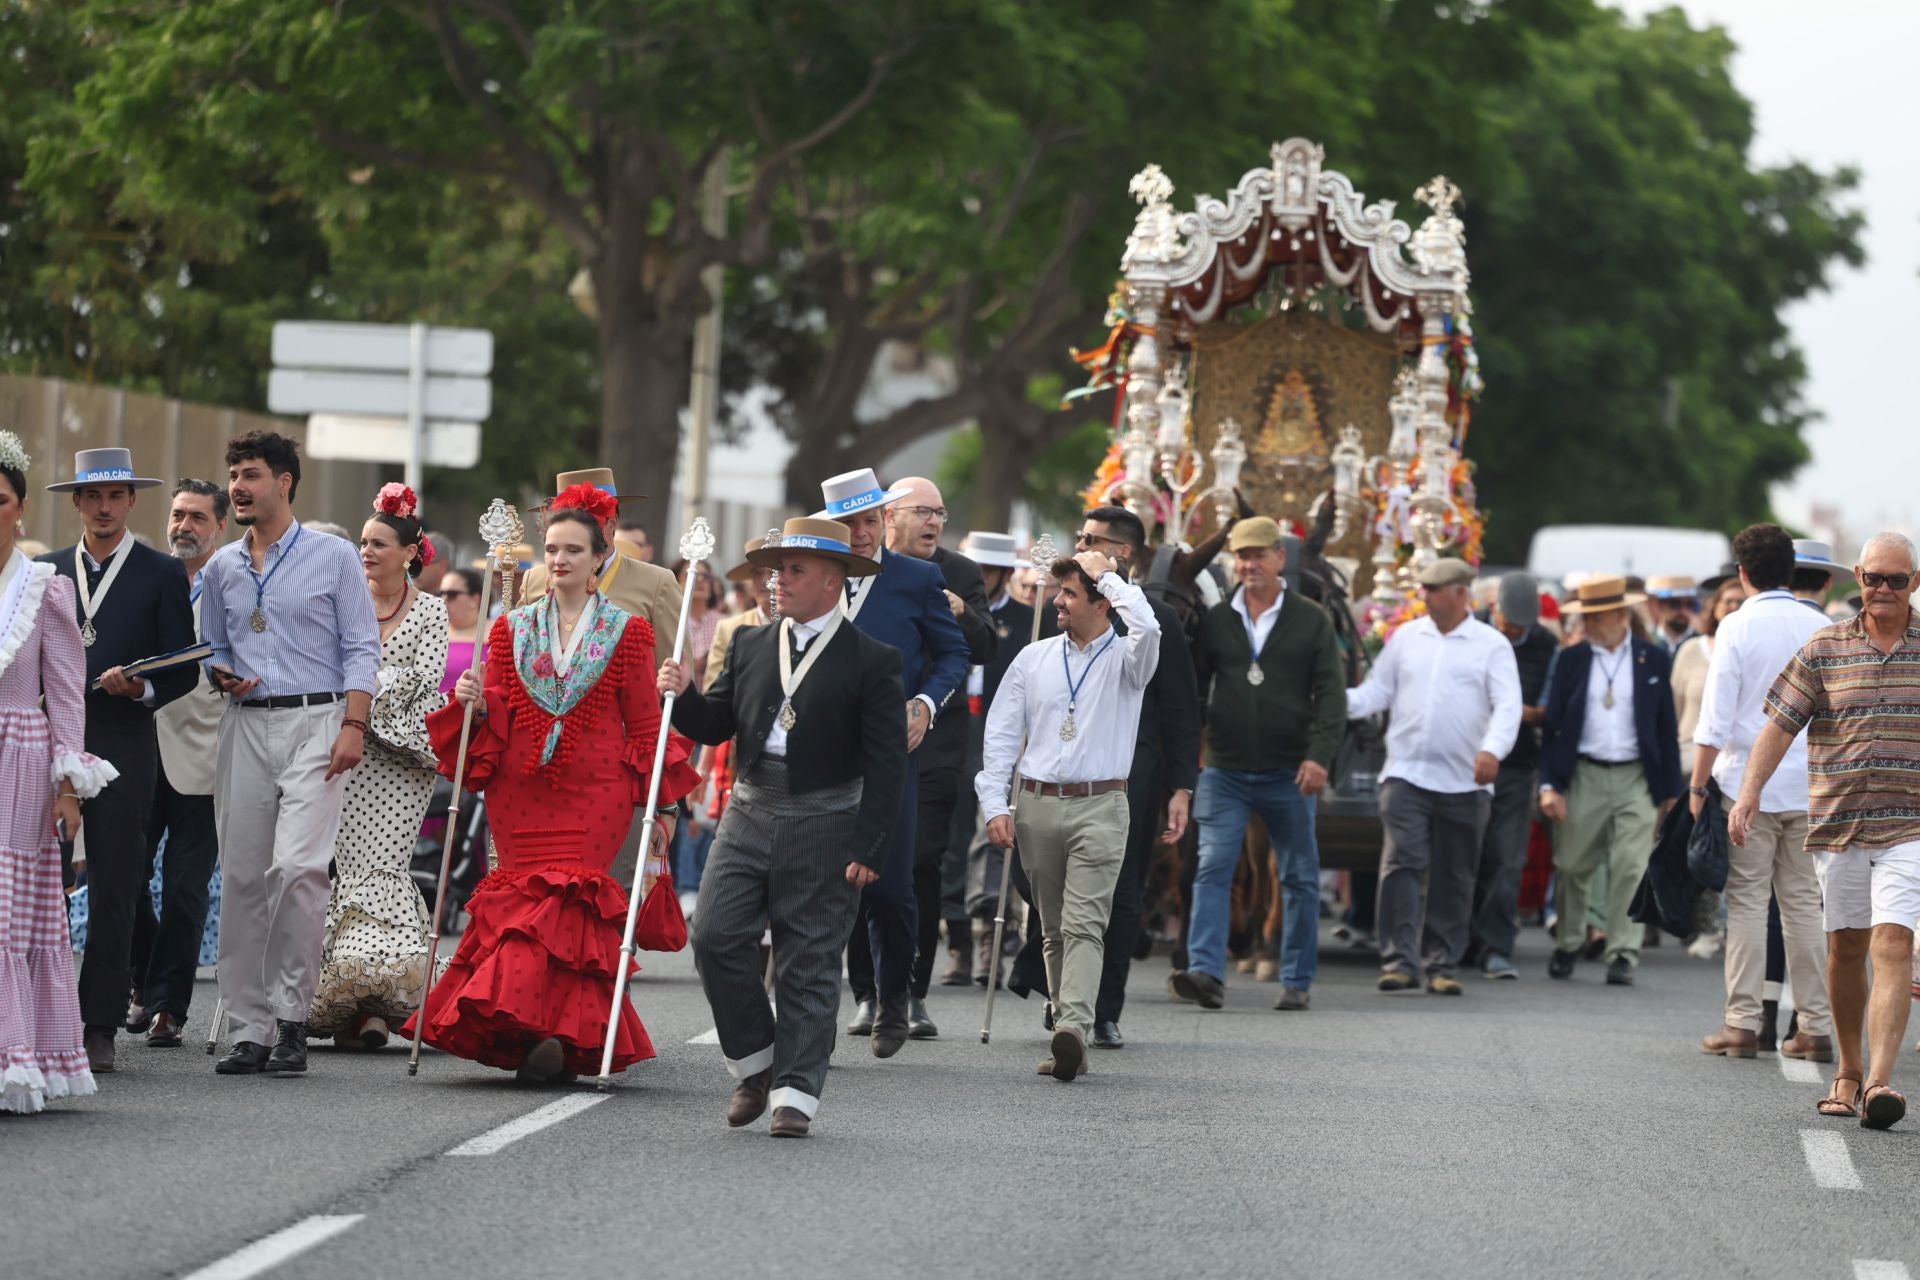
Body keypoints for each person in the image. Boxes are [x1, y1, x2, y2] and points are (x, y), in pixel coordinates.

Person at [405, 501, 696, 1084]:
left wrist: (660, 805)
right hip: (521, 788)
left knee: (570, 905)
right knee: (523, 909)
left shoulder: (628, 629)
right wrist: (477, 699)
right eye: (553, 549)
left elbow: (642, 722)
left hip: (599, 789)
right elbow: (500, 703)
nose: (560, 560)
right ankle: (532, 1031)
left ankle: (554, 1034)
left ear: (598, 559)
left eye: (573, 550)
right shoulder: (512, 624)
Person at [662, 517, 908, 1137]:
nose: (778, 581)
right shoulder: (749, 643)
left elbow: (886, 761)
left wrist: (870, 843)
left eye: (794, 570)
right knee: (715, 934)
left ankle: (796, 1091)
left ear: (834, 580)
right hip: (749, 809)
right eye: (775, 570)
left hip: (828, 817)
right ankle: (756, 1063)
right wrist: (684, 693)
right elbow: (715, 724)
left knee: (810, 957)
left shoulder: (873, 660)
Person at [200, 431, 382, 1077]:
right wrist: (221, 673)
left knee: (299, 869)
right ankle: (249, 1027)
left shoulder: (332, 556)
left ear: (285, 481)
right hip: (246, 725)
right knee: (244, 877)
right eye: (233, 476)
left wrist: (354, 724)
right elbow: (211, 648)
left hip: (319, 719)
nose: (238, 487)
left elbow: (363, 644)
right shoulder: (222, 567)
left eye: (250, 474)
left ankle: (293, 1018)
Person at [1730, 531, 1920, 1130]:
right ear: (1857, 577)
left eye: (1897, 579)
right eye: (1874, 578)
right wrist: (1750, 792)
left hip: (1909, 826)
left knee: (1894, 944)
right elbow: (1780, 726)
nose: (1884, 590)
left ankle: (1881, 1083)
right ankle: (1848, 1067)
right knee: (1847, 949)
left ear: (1915, 583)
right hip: (1838, 825)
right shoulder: (1825, 646)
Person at [40, 447, 196, 1072]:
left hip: (126, 740)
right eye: (92, 497)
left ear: (132, 501)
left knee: (116, 884)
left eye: (115, 497)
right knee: (37, 880)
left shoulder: (161, 573)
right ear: (77, 502)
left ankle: (97, 1022)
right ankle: (33, 1014)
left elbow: (185, 667)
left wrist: (144, 689)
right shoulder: (45, 571)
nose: (104, 508)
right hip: (52, 740)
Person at [979, 547, 1160, 1080]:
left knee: (1085, 924)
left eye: (1070, 594)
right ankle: (1066, 1026)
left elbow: (1148, 627)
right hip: (1036, 805)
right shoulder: (1033, 658)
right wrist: (994, 803)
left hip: (1101, 805)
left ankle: (1073, 1031)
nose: (1057, 602)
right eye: (1059, 593)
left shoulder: (1130, 657)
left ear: (1102, 603)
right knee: (1052, 927)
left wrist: (1110, 576)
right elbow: (1001, 735)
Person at [815, 468, 967, 1058]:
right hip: (822, 755)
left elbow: (952, 653)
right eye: (847, 523)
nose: (860, 532)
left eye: (869, 520)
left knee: (893, 888)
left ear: (885, 520)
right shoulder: (815, 577)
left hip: (891, 756)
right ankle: (820, 1010)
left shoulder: (917, 578)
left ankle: (894, 998)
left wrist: (927, 703)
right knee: (821, 888)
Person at [1174, 516, 1341, 1013]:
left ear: (1279, 558)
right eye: (1241, 557)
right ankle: (1205, 971)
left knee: (1299, 874)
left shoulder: (1311, 619)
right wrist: (1195, 750)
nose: (1249, 565)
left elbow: (1332, 696)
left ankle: (1297, 978)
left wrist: (1319, 756)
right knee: (1212, 866)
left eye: (1259, 555)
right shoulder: (1219, 620)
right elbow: (1196, 690)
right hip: (1225, 768)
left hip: (1290, 769)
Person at [306, 485, 448, 1050]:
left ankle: (377, 997)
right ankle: (353, 1005)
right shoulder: (342, 604)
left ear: (411, 552)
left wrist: (365, 694)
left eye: (379, 543)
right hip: (343, 754)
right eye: (362, 542)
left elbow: (426, 684)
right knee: (339, 873)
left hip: (401, 761)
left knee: (381, 871)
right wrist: (356, 704)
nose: (366, 551)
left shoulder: (432, 612)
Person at [0, 431, 115, 1113]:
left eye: (1, 498)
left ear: (19, 508)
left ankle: (17, 1054)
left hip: (20, 754)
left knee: (6, 911)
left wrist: (68, 786)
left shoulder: (45, 588)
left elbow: (68, 692)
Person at [1693, 523, 1833, 1062]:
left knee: (1748, 903)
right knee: (1802, 906)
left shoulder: (1735, 626)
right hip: (1809, 784)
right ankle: (1815, 1027)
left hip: (1744, 782)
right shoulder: (1820, 626)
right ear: (1792, 569)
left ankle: (1742, 1023)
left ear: (1743, 573)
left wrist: (1697, 785)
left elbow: (1715, 719)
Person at [1348, 559, 1521, 994]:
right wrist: (1335, 701)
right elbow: (1377, 691)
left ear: (1461, 594)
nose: (1425, 595)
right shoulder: (1406, 638)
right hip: (1406, 773)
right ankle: (1400, 961)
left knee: (1455, 872)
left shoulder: (1491, 644)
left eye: (1434, 589)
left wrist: (1492, 749)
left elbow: (1508, 705)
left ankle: (1442, 964)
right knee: (1401, 862)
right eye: (1423, 587)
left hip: (1466, 780)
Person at [521, 470, 681, 880]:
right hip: (541, 768)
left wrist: (666, 796)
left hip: (615, 770)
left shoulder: (656, 582)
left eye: (595, 518)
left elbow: (674, 689)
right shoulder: (537, 579)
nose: (562, 558)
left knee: (609, 889)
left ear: (611, 524)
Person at [886, 476, 996, 1039]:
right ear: (890, 517)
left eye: (940, 513)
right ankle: (867, 989)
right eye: (922, 512)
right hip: (869, 740)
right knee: (867, 864)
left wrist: (959, 611)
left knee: (922, 861)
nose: (933, 522)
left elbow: (984, 645)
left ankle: (911, 991)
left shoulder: (959, 572)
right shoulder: (865, 567)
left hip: (938, 742)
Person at [1539, 575, 1683, 985]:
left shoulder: (1651, 658)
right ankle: (1569, 941)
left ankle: (1622, 952)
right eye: (1584, 617)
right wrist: (1550, 785)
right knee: (1570, 865)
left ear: (1619, 615)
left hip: (1636, 777)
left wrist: (1671, 792)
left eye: (1595, 618)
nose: (1587, 626)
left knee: (1630, 866)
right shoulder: (1572, 659)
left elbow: (1664, 729)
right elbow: (1552, 729)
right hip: (1583, 773)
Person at [129, 479, 230, 1048]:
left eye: (196, 517)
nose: (183, 526)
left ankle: (169, 1005)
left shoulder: (231, 582)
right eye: (177, 515)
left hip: (206, 750)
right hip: (139, 747)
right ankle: (142, 980)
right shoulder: (146, 575)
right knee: (125, 877)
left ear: (218, 526)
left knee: (187, 885)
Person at [1465, 571, 1559, 980]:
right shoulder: (1470, 636)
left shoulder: (1545, 644)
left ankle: (1496, 945)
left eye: (1523, 623)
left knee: (1507, 857)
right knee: (1464, 855)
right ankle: (1461, 938)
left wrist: (1519, 713)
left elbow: (1550, 706)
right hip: (1465, 761)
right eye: (1509, 620)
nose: (1515, 630)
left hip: (1516, 763)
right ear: (1492, 607)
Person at [956, 531, 1035, 987]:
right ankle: (959, 941)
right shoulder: (950, 608)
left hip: (1003, 734)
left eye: (985, 571)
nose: (978, 580)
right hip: (952, 729)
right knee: (949, 832)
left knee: (991, 833)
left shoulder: (1029, 619)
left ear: (1005, 573)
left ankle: (990, 935)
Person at [1671, 574, 1746, 961]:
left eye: (1739, 600)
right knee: (1699, 850)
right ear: (1714, 608)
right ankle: (1703, 927)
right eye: (1726, 602)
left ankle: (1733, 927)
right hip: (1691, 763)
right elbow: (1674, 709)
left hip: (1735, 767)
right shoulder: (1690, 652)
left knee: (1735, 854)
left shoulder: (1749, 644)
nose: (1733, 607)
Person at [438, 567, 486, 694]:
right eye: (441, 594)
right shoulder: (433, 631)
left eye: (452, 595)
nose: (444, 599)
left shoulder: (495, 633)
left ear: (475, 599)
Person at [1646, 576, 1700, 654]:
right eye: (1675, 604)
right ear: (1659, 605)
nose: (1683, 611)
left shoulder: (1701, 644)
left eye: (1689, 605)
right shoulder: (1647, 641)